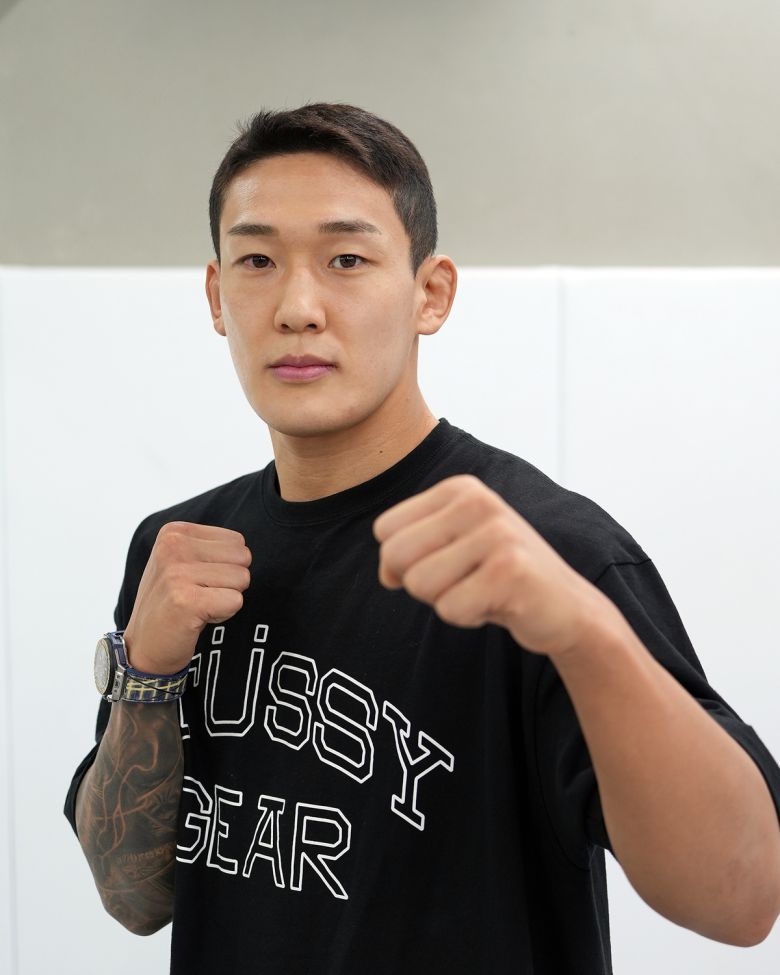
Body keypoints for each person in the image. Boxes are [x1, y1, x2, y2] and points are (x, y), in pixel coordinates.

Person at [64, 102, 780, 974]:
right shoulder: (178, 553)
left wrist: (587, 632)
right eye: (257, 260)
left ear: (429, 293)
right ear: (217, 296)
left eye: (346, 259)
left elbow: (743, 897)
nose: (296, 306)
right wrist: (144, 674)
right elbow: (135, 897)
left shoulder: (549, 553)